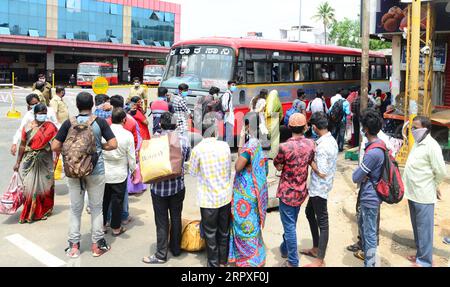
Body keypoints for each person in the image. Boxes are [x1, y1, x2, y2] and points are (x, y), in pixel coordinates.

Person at [51, 92, 117, 258]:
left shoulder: (68, 123)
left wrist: (70, 154)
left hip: (73, 172)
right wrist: (100, 147)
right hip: (96, 170)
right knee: (96, 208)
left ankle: (73, 246)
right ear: (92, 105)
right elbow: (113, 144)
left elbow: (54, 146)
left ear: (77, 105)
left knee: (75, 209)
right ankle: (97, 245)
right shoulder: (99, 122)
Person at [143, 112, 191, 264]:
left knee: (162, 221)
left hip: (158, 189)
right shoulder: (183, 139)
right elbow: (187, 157)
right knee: (176, 217)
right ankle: (176, 249)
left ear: (161, 125)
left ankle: (161, 255)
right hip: (177, 186)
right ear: (176, 124)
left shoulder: (153, 140)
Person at [403, 116, 447, 267]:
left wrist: (434, 185)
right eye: (412, 127)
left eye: (415, 127)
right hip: (413, 193)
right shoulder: (418, 143)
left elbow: (441, 171)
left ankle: (425, 261)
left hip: (424, 194)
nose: (412, 130)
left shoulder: (432, 146)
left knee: (425, 230)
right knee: (418, 228)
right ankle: (420, 255)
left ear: (425, 129)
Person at [189, 117, 232, 267]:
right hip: (225, 196)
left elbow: (193, 172)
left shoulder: (198, 150)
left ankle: (213, 263)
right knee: (224, 231)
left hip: (208, 199)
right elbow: (228, 169)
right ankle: (223, 261)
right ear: (215, 131)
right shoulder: (225, 146)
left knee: (210, 232)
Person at [273, 113, 315, 267]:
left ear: (289, 127)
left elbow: (277, 165)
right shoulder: (311, 144)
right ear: (305, 127)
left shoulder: (284, 147)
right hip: (301, 192)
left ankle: (292, 261)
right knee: (291, 223)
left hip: (287, 192)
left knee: (289, 227)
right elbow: (310, 160)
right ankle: (285, 248)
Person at [228, 113, 269, 267]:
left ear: (247, 126)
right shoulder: (258, 142)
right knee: (252, 221)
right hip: (255, 191)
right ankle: (256, 253)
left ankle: (248, 257)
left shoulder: (250, 145)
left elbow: (238, 166)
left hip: (246, 192)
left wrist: (241, 139)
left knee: (244, 223)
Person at [300, 112, 338, 267]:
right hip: (320, 187)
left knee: (323, 221)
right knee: (309, 212)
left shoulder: (323, 146)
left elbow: (321, 172)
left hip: (320, 188)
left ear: (315, 127)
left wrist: (310, 161)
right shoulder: (330, 139)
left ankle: (319, 259)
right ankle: (316, 248)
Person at [13, 103, 58, 223]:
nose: (42, 115)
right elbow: (22, 145)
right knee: (29, 187)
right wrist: (18, 162)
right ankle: (30, 212)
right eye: (40, 113)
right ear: (35, 114)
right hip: (29, 160)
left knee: (45, 186)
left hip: (45, 160)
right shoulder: (28, 127)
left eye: (44, 113)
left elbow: (57, 143)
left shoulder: (51, 126)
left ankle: (42, 210)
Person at [351, 109, 385, 267]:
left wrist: (361, 174)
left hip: (370, 197)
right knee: (367, 231)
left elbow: (355, 177)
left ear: (365, 129)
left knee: (370, 234)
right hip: (372, 195)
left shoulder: (373, 153)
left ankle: (371, 264)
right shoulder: (379, 144)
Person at [102, 108, 136, 237]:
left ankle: (103, 225)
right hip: (120, 172)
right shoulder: (127, 135)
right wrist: (133, 170)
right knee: (117, 201)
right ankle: (116, 227)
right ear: (124, 120)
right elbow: (131, 156)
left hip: (104, 171)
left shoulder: (105, 132)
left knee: (104, 200)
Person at [107, 95, 140, 223]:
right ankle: (124, 216)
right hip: (122, 163)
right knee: (122, 193)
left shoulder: (106, 122)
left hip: (107, 164)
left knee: (107, 195)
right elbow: (135, 143)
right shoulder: (131, 121)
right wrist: (133, 169)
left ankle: (108, 218)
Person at [265, 90, 283, 159]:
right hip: (275, 118)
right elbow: (281, 114)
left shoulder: (267, 100)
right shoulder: (277, 102)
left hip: (267, 120)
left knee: (269, 136)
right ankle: (274, 155)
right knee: (275, 139)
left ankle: (269, 152)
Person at [221, 80, 237, 147]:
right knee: (228, 135)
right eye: (232, 85)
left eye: (234, 85)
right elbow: (224, 104)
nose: (234, 86)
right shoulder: (227, 94)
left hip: (229, 117)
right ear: (228, 85)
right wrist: (227, 110)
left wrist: (230, 109)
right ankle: (225, 149)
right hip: (228, 118)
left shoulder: (230, 94)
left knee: (228, 135)